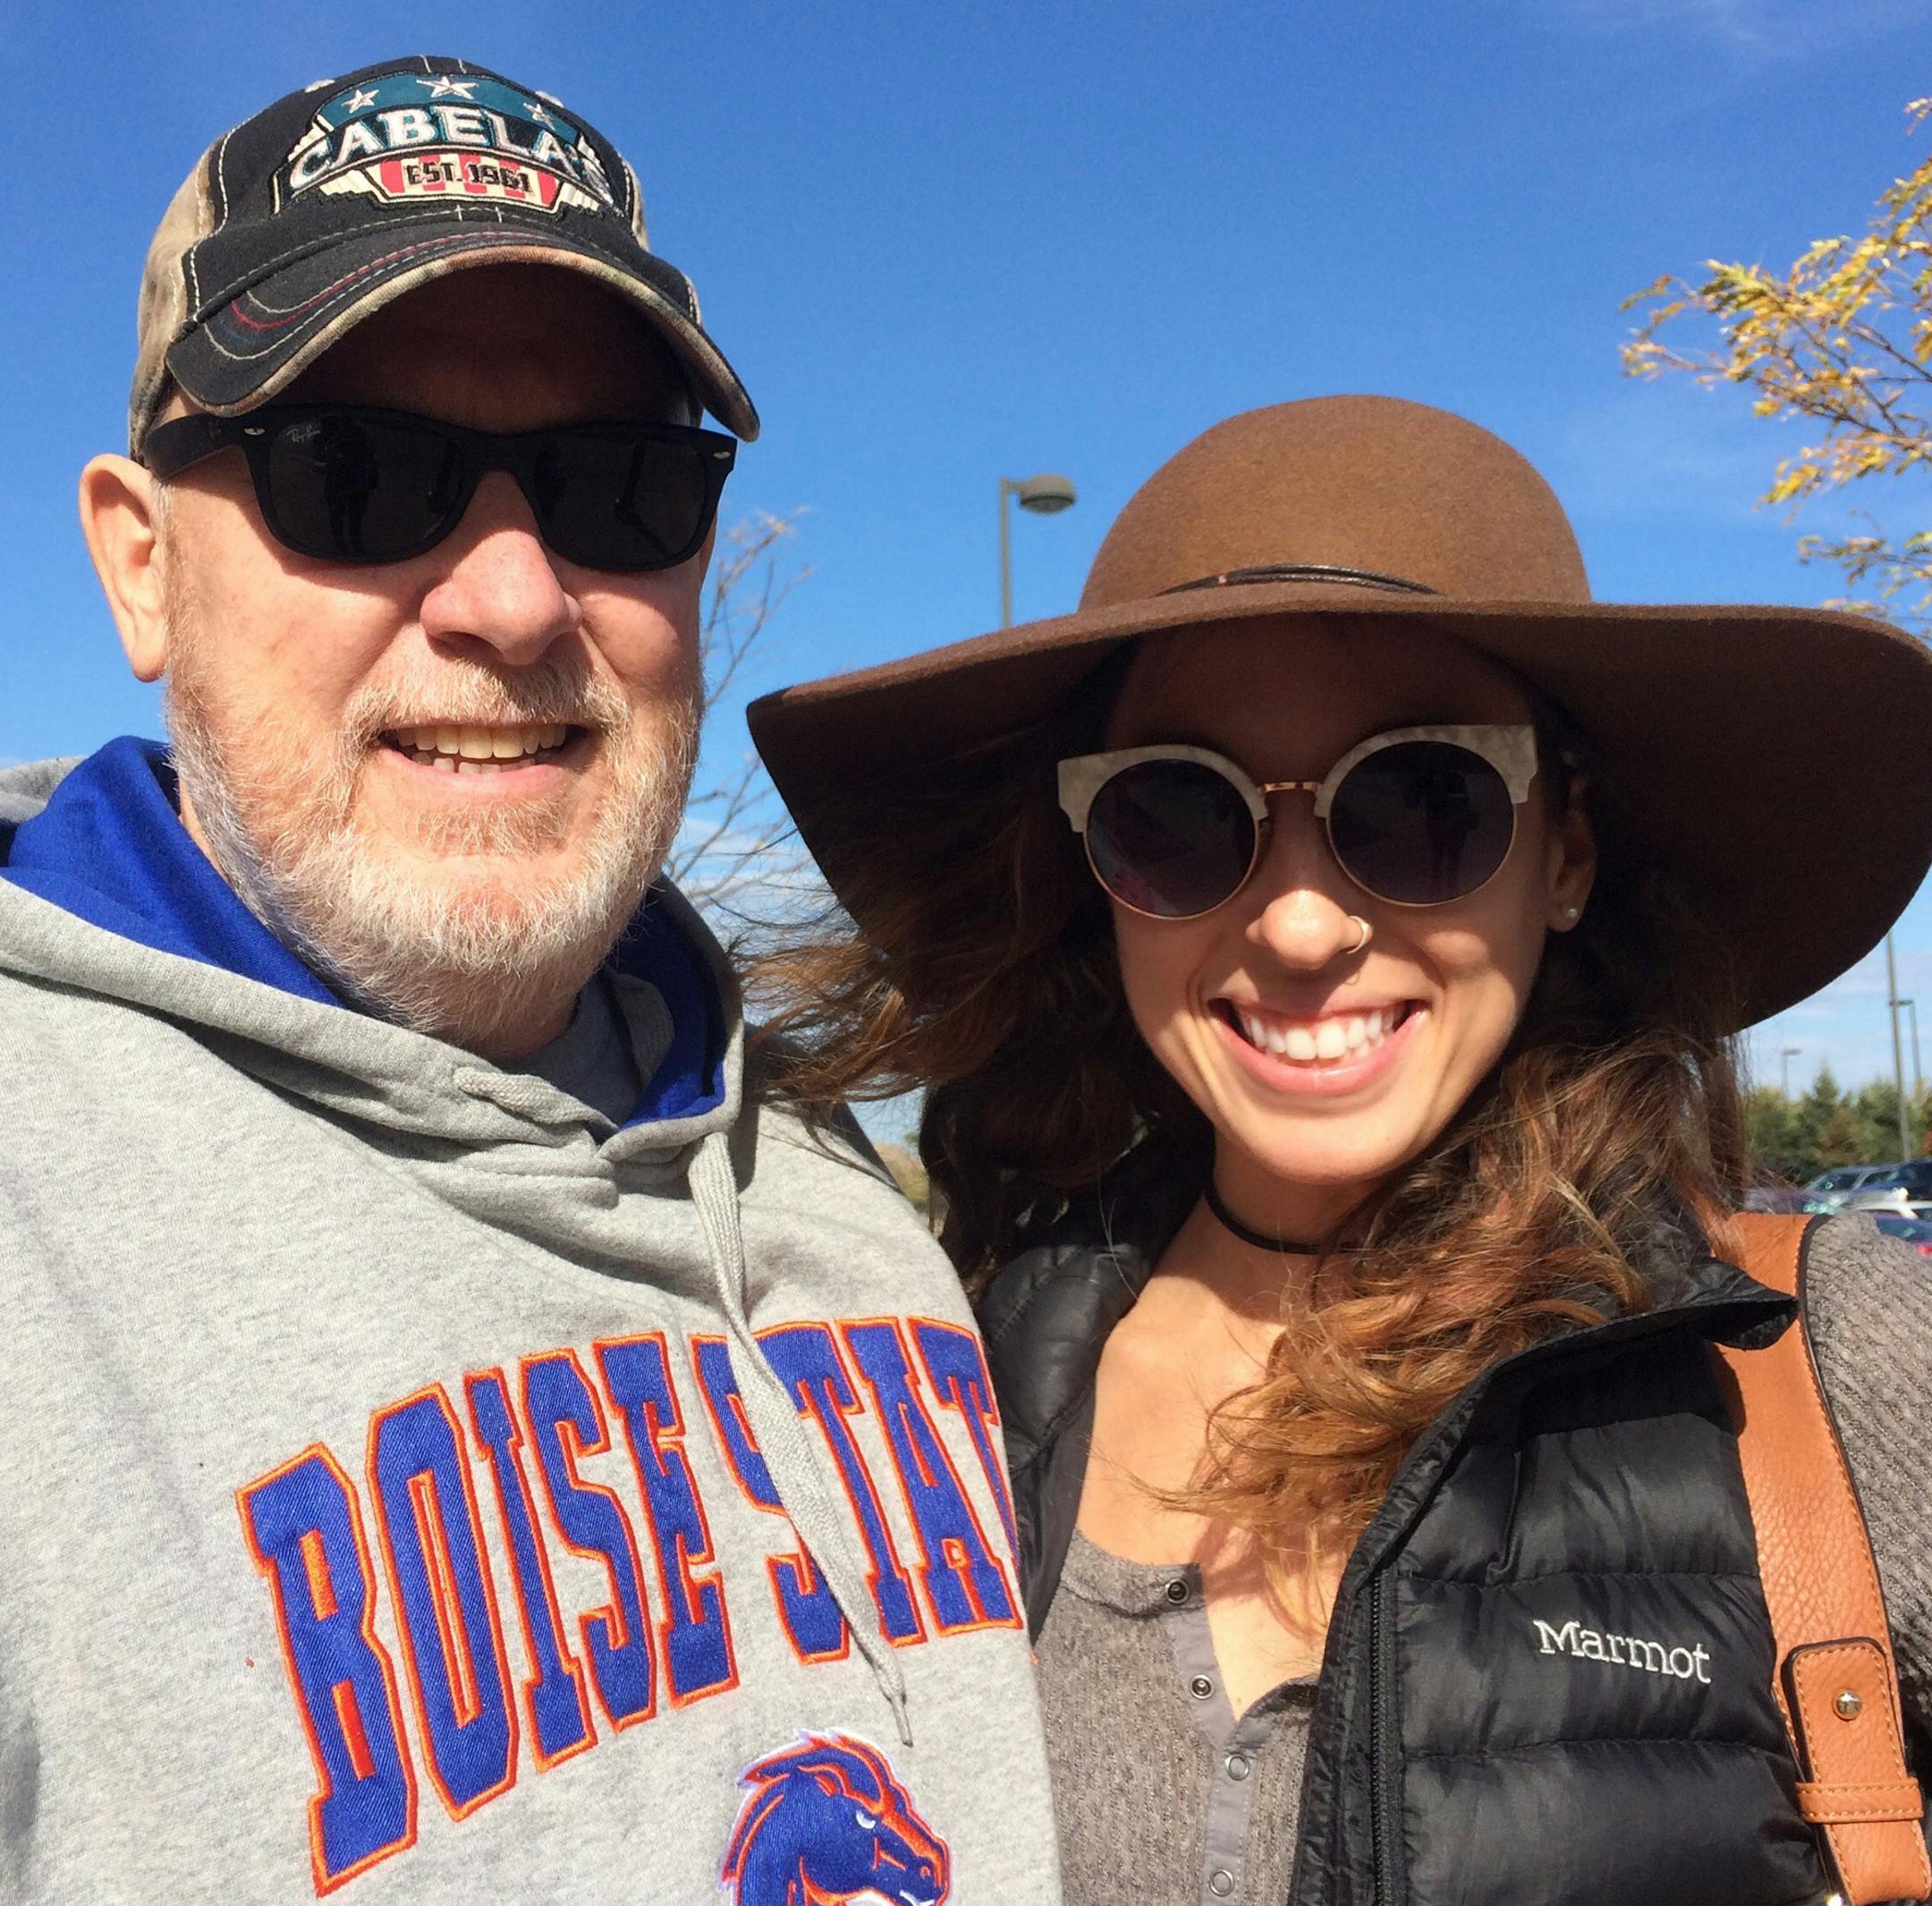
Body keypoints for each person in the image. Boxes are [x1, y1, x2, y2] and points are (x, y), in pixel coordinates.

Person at [0, 57, 1057, 1902]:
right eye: (356, 472)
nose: (512, 598)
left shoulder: (827, 1195)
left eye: (618, 487)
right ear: (141, 563)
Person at [746, 395, 1932, 1906]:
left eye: (1423, 802)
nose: (1303, 926)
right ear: (1096, 873)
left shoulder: (1824, 1364)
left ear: (1564, 855)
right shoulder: (947, 1388)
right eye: (1177, 815)